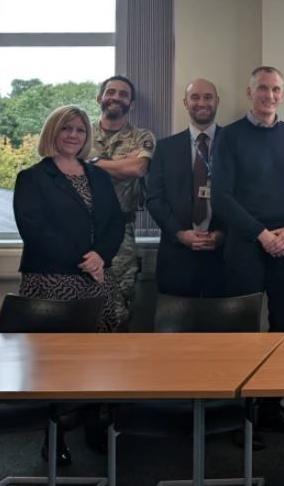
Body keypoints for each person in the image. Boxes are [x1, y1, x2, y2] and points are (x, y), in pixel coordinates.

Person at [13, 105, 125, 466]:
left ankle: (94, 427)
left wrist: (101, 257)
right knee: (53, 365)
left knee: (98, 360)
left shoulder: (98, 176)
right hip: (51, 282)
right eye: (66, 129)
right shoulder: (32, 177)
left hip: (95, 281)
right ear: (53, 132)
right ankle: (54, 436)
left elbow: (114, 224)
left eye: (79, 130)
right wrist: (85, 258)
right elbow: (35, 230)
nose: (73, 135)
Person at [212, 66, 284, 433]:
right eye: (262, 89)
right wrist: (261, 234)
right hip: (245, 245)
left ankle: (272, 408)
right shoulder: (229, 137)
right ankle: (241, 417)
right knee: (243, 331)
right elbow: (222, 198)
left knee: (283, 327)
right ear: (249, 92)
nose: (269, 95)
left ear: (282, 95)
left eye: (275, 89)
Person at [147, 78, 225, 297]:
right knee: (176, 328)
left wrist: (222, 234)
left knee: (222, 329)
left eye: (208, 97)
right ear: (185, 102)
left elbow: (245, 195)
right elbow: (154, 198)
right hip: (176, 256)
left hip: (223, 257)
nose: (202, 102)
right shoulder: (165, 147)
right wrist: (179, 233)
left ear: (217, 101)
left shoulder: (234, 143)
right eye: (195, 97)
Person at [88, 75, 156, 325]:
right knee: (78, 304)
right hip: (80, 230)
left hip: (121, 233)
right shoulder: (80, 132)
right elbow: (67, 167)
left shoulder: (141, 137)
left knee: (118, 306)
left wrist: (93, 163)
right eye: (111, 92)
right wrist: (119, 165)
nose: (116, 97)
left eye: (123, 94)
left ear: (132, 103)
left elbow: (137, 169)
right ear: (100, 98)